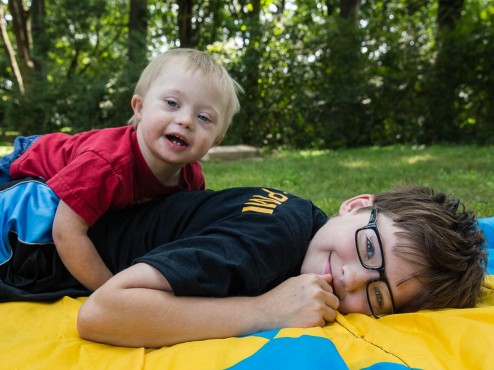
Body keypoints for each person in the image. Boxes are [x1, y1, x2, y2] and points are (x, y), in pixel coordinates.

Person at [0, 178, 487, 347]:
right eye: (368, 249)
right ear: (357, 204)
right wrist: (265, 312)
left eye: (376, 296)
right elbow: (101, 313)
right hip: (25, 236)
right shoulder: (269, 239)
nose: (349, 280)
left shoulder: (300, 223)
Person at [0, 48, 243, 291]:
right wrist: (109, 289)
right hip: (28, 162)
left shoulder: (191, 177)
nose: (186, 120)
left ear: (216, 139)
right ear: (139, 107)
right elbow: (66, 232)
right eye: (172, 103)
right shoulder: (108, 163)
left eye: (204, 117)